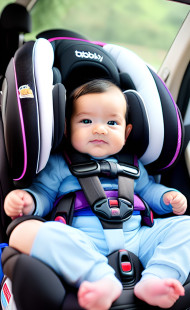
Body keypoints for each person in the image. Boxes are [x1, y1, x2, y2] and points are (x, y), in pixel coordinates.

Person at [4, 79, 189, 310]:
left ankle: (158, 279)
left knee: (186, 226)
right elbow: (44, 194)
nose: (100, 129)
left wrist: (167, 198)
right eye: (86, 121)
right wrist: (28, 202)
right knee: (22, 231)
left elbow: (148, 191)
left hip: (138, 236)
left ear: (127, 131)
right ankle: (98, 277)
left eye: (112, 122)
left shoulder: (133, 164)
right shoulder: (60, 164)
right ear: (66, 127)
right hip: (81, 239)